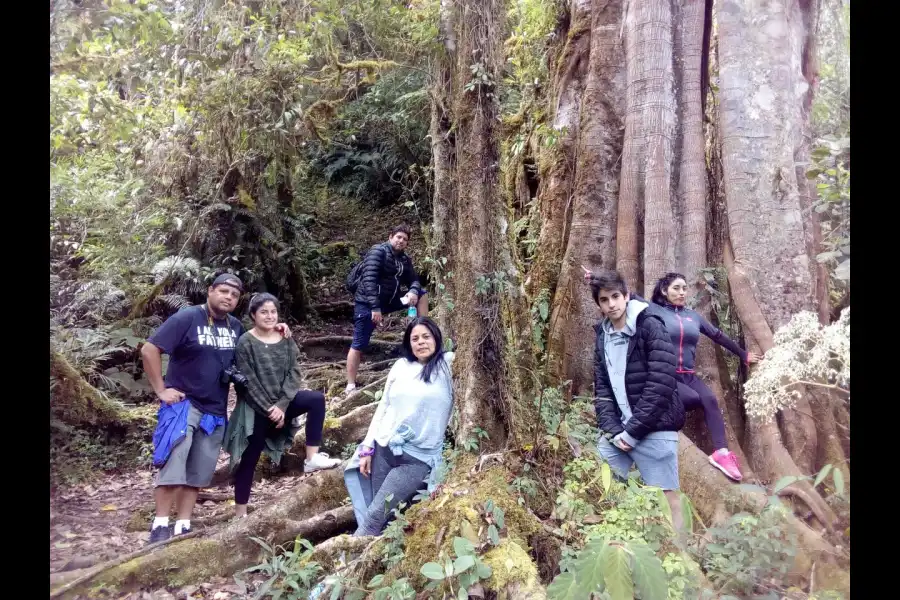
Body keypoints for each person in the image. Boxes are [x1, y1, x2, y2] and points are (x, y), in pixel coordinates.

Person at [141, 274, 292, 544]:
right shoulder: (187, 318)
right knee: (174, 460)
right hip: (183, 404)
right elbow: (150, 349)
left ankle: (184, 524)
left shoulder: (234, 327)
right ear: (210, 291)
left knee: (201, 467)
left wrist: (276, 327)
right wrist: (160, 389)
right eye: (223, 291)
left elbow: (256, 339)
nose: (228, 298)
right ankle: (161, 523)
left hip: (215, 409)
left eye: (234, 295)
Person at [224, 294, 342, 518]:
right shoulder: (245, 343)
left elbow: (294, 373)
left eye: (273, 312)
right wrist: (271, 409)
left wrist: (282, 406)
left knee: (315, 399)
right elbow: (247, 383)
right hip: (256, 408)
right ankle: (240, 513)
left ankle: (311, 458)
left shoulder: (285, 337)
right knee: (249, 458)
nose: (269, 316)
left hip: (282, 404)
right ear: (253, 315)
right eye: (263, 312)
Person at [589, 270, 686, 529]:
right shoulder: (602, 335)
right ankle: (622, 538)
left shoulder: (649, 324)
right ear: (598, 304)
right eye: (604, 300)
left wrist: (632, 432)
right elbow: (602, 389)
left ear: (627, 296)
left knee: (667, 497)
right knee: (603, 480)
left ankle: (681, 556)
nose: (611, 304)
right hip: (620, 432)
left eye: (616, 296)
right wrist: (613, 429)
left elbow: (661, 383)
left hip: (655, 428)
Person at [344, 317, 454, 536]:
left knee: (375, 516)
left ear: (437, 338)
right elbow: (384, 406)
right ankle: (377, 562)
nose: (421, 342)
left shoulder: (448, 364)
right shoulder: (401, 366)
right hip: (384, 449)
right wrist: (367, 447)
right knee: (380, 516)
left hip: (416, 459)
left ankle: (344, 568)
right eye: (415, 338)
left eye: (426, 337)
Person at [650, 272, 762, 481]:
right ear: (664, 291)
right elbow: (626, 297)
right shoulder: (654, 311)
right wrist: (597, 280)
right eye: (676, 288)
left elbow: (718, 336)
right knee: (691, 399)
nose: (682, 292)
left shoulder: (693, 317)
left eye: (684, 288)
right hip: (665, 373)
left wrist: (743, 355)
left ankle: (721, 453)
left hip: (688, 375)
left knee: (710, 399)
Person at [345, 225, 429, 395]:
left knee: (422, 294)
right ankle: (350, 385)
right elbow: (369, 280)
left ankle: (423, 328)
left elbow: (414, 280)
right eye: (399, 237)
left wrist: (413, 290)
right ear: (390, 237)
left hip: (390, 301)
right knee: (359, 343)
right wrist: (375, 308)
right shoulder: (378, 252)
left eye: (405, 239)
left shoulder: (404, 259)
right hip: (368, 303)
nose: (401, 241)